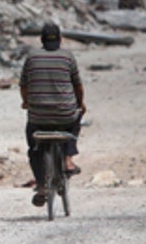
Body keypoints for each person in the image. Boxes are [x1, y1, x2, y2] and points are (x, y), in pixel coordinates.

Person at [20, 22, 86, 206]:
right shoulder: (67, 56)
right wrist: (80, 104)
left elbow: (23, 85)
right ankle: (68, 159)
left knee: (33, 146)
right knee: (76, 119)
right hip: (64, 114)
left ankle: (41, 186)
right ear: (60, 39)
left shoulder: (31, 57)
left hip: (38, 116)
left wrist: (26, 102)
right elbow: (78, 86)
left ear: (41, 39)